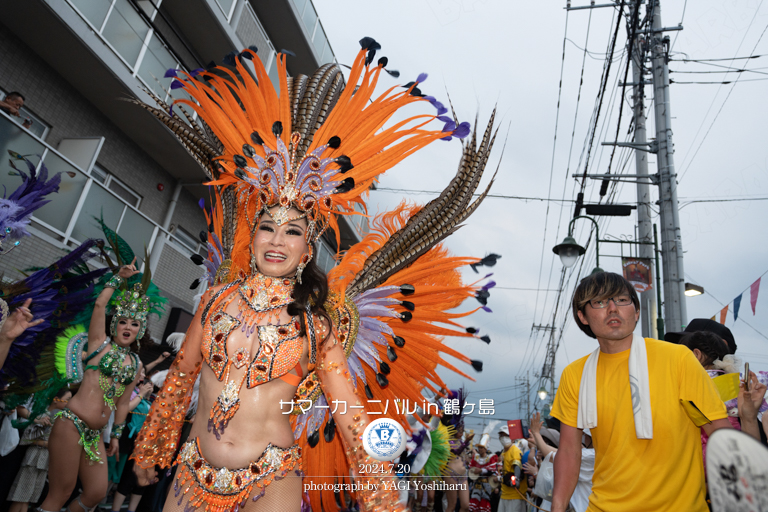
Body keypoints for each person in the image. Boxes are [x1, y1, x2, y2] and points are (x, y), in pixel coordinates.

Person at [130, 39, 495, 512]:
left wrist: (379, 490)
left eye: (292, 232)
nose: (277, 240)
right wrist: (155, 443)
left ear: (307, 247)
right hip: (193, 470)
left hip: (272, 477)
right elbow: (181, 376)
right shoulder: (217, 299)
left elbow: (348, 413)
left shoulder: (315, 321)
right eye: (267, 227)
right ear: (254, 235)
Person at [550, 272, 731, 512]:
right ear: (583, 316)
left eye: (622, 300)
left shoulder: (677, 359)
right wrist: (558, 507)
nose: (613, 308)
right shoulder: (575, 374)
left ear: (636, 312)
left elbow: (720, 433)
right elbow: (570, 451)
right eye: (600, 302)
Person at [38, 261, 147, 512]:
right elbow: (100, 305)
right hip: (72, 424)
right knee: (61, 492)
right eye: (123, 322)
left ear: (140, 331)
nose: (128, 327)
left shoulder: (136, 364)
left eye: (135, 323)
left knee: (97, 493)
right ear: (114, 325)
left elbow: (122, 403)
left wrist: (117, 436)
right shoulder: (100, 344)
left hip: (95, 434)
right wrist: (117, 278)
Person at [7, 389, 72, 512]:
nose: (69, 403)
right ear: (56, 399)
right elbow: (25, 439)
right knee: (20, 496)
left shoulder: (59, 417)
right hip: (33, 459)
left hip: (44, 461)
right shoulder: (42, 415)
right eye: (67, 399)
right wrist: (48, 444)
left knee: (28, 498)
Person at [497, 425, 526, 512]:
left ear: (512, 438)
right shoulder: (503, 453)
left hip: (515, 495)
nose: (503, 438)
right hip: (504, 493)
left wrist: (516, 478)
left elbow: (517, 465)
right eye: (501, 435)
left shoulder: (515, 450)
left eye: (506, 435)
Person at [468, 433, 498, 512]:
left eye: (481, 447)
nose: (480, 449)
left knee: (483, 506)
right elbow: (470, 469)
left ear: (485, 448)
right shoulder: (475, 457)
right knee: (473, 505)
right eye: (479, 447)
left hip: (486, 485)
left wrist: (481, 470)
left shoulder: (491, 458)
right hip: (476, 485)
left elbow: (493, 471)